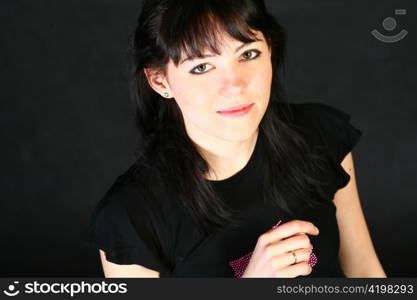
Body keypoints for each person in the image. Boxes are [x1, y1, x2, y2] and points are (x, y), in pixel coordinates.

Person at [87, 0, 386, 278]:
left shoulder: (322, 136)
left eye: (248, 54)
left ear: (270, 49)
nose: (235, 86)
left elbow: (365, 274)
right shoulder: (131, 215)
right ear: (160, 80)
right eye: (201, 67)